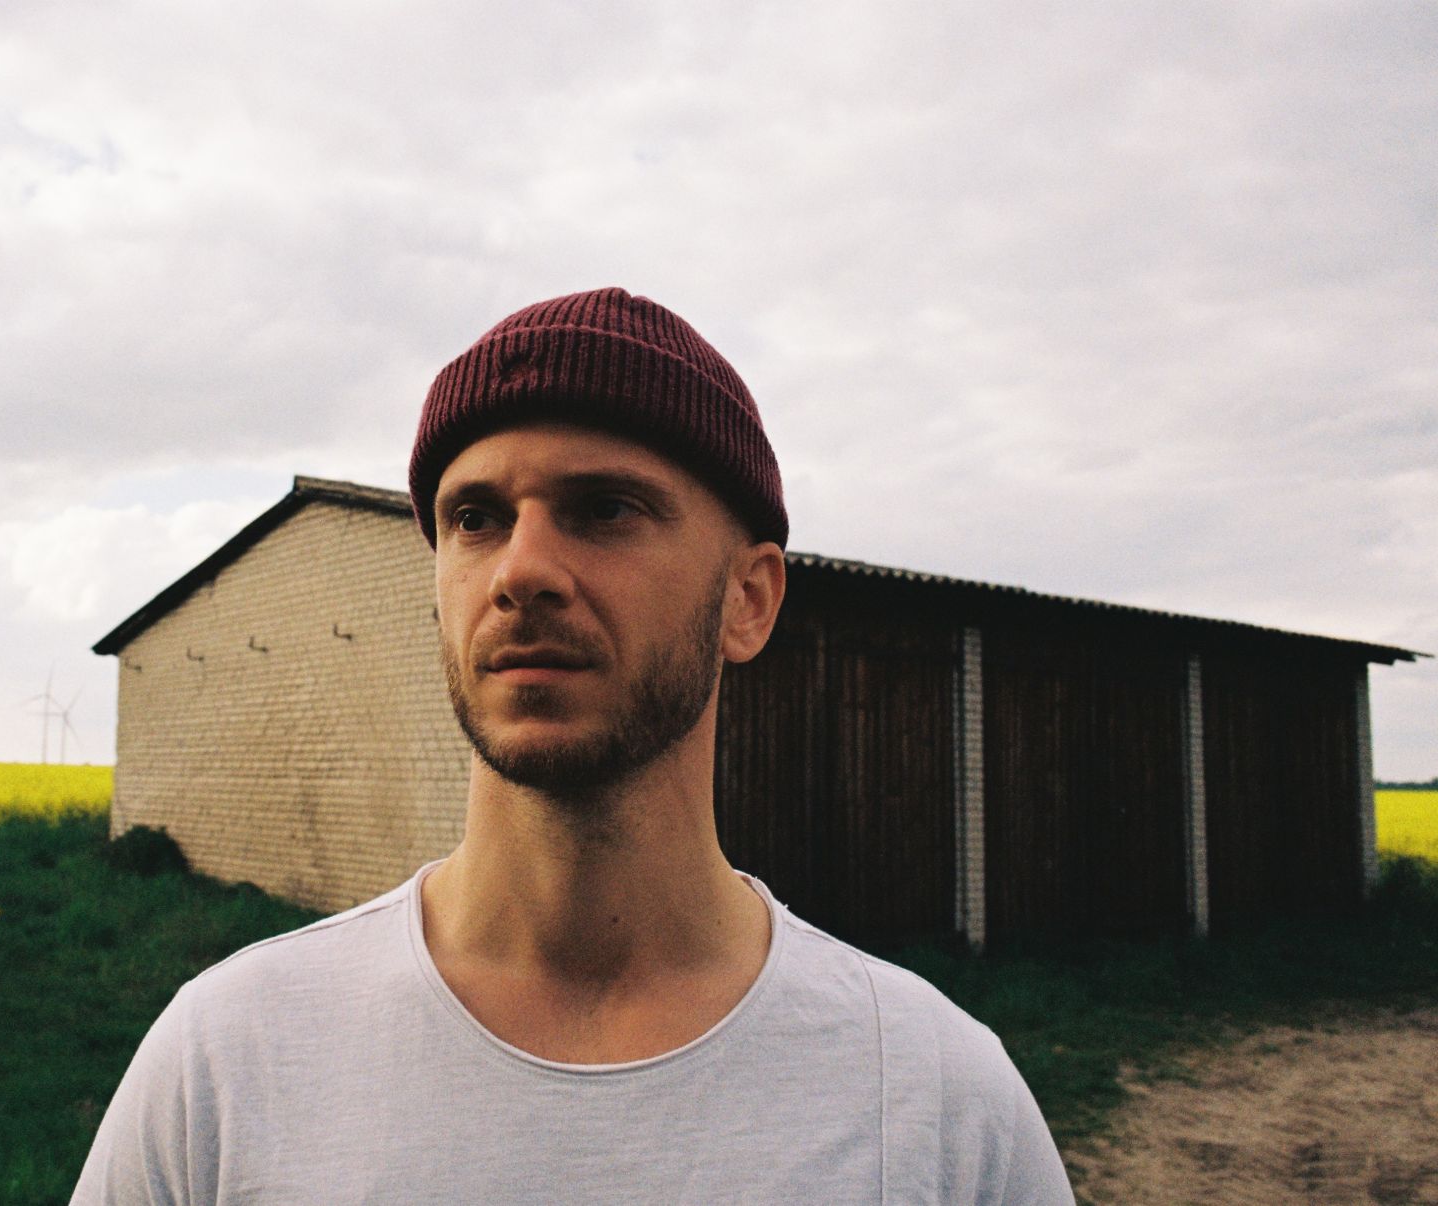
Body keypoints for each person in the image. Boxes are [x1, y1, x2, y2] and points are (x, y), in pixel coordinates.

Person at [72, 288, 1074, 1203]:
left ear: (750, 599)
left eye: (605, 509)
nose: (522, 571)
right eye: (476, 518)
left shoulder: (936, 1100)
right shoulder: (229, 1061)